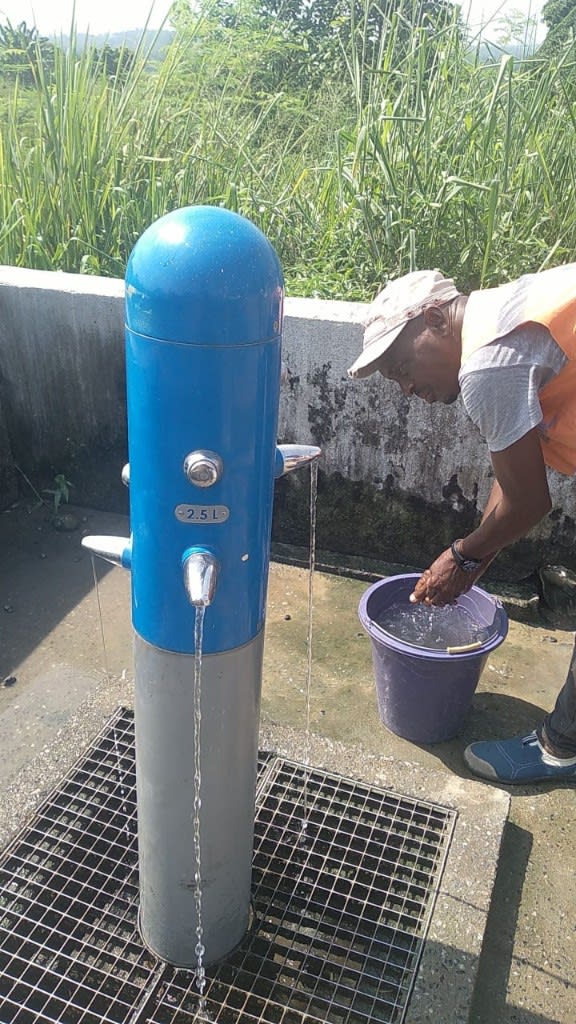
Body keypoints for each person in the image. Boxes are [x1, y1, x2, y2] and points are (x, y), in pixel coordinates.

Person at [347, 265, 576, 784]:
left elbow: (530, 503)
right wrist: (473, 559)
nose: (407, 388)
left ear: (435, 318)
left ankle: (562, 747)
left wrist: (464, 555)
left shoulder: (486, 367)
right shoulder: (501, 312)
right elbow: (515, 485)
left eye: (403, 365)